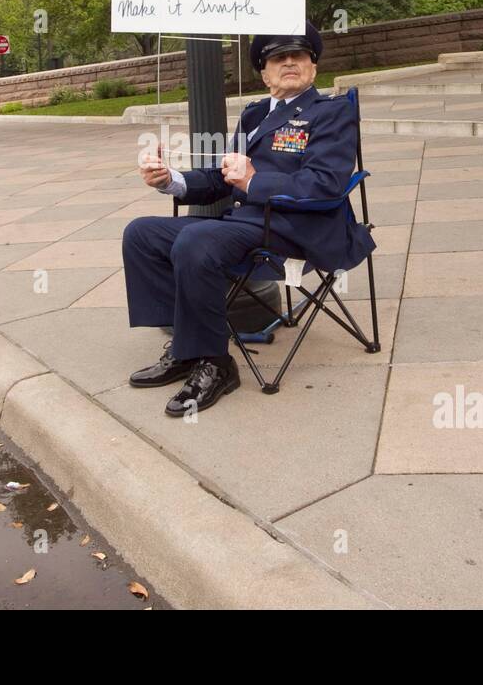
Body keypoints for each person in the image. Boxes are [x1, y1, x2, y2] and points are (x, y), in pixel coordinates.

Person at [122, 21, 374, 417]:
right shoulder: (255, 114)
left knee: (198, 240)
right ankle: (186, 349)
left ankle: (216, 363)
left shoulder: (331, 113)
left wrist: (255, 180)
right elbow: (223, 176)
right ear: (264, 71)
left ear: (313, 66)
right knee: (141, 234)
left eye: (298, 55)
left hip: (296, 229)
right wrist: (171, 180)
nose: (289, 62)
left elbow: (324, 185)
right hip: (243, 226)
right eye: (278, 57)